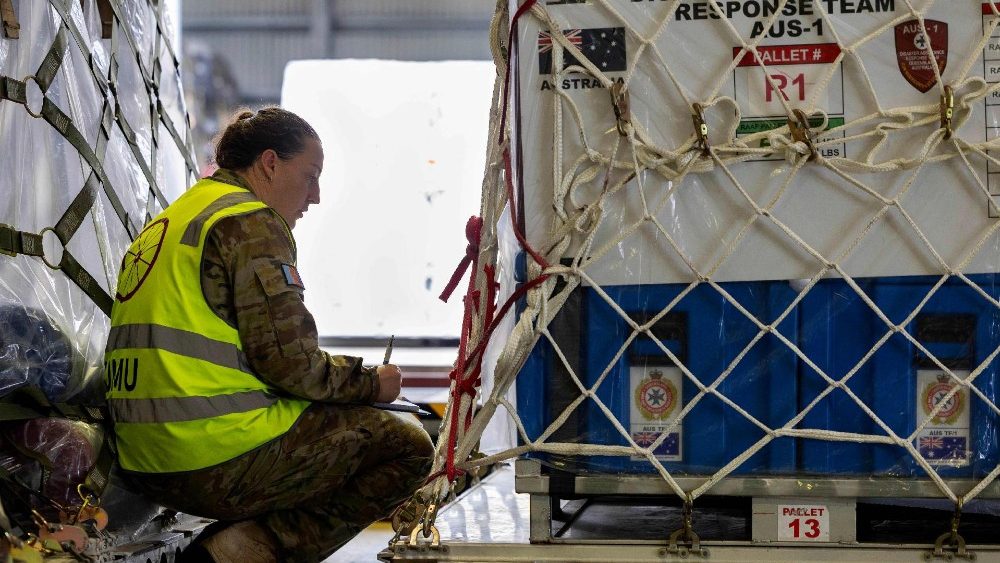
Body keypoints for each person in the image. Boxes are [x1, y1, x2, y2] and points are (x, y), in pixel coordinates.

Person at [104, 107, 434, 562]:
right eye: (310, 176)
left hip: (141, 458)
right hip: (209, 455)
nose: (315, 196)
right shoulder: (249, 223)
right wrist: (372, 383)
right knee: (408, 444)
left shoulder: (175, 218)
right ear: (270, 163)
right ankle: (245, 551)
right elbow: (290, 363)